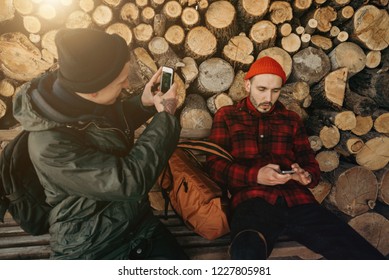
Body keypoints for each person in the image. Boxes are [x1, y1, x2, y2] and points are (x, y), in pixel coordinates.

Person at [12, 28, 188, 260]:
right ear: (93, 92)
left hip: (137, 224)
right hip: (91, 245)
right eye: (121, 82)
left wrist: (144, 103)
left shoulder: (75, 96)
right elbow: (128, 180)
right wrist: (165, 116)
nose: (127, 85)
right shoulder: (49, 146)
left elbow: (104, 125)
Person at [206, 56, 386, 260]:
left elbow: (311, 167)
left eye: (275, 91)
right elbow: (214, 166)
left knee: (361, 255)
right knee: (246, 254)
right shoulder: (228, 115)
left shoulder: (291, 119)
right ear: (248, 85)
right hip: (253, 202)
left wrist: (305, 176)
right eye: (262, 89)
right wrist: (256, 175)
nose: (268, 98)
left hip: (297, 202)